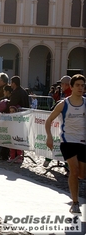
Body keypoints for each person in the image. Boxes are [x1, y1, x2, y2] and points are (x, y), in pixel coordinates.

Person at [45, 74, 86, 215]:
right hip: (67, 141)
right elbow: (48, 120)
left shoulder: (85, 103)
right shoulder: (63, 104)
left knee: (82, 174)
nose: (81, 88)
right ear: (72, 87)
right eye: (78, 85)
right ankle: (75, 203)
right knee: (74, 171)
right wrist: (49, 137)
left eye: (83, 85)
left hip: (83, 142)